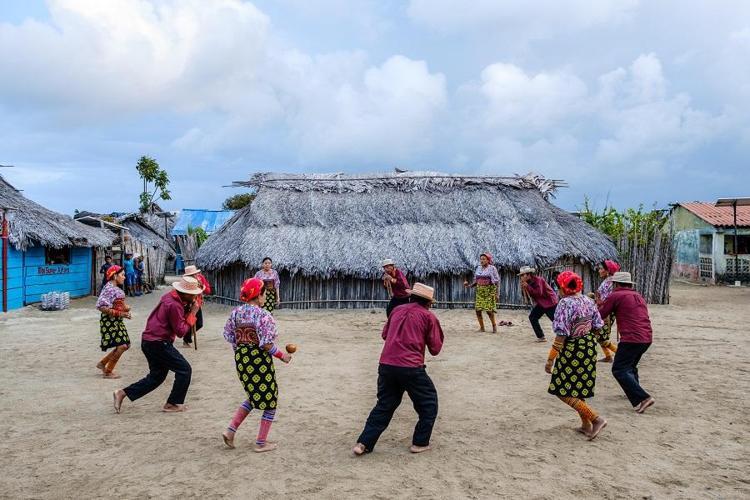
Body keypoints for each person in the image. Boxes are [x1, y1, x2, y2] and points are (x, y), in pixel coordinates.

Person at [353, 283, 444, 456]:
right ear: (428, 302)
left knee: (384, 405)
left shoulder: (396, 310)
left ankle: (363, 443)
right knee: (428, 404)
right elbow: (435, 349)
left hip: (386, 364)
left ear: (411, 297)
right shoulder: (428, 316)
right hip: (411, 367)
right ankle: (420, 442)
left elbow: (385, 335)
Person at [221, 278, 292, 452]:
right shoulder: (263, 315)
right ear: (259, 295)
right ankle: (261, 442)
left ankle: (230, 431)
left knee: (254, 396)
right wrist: (282, 355)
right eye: (264, 293)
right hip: (258, 360)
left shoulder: (236, 313)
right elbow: (266, 344)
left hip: (242, 359)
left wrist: (243, 354)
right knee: (270, 400)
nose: (265, 296)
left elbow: (231, 338)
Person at [112, 276, 202, 414]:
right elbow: (181, 331)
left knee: (156, 377)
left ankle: (122, 393)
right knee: (184, 370)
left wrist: (189, 308)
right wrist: (193, 313)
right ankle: (172, 403)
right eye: (194, 294)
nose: (196, 296)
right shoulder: (174, 305)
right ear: (186, 294)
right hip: (158, 342)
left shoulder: (170, 297)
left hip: (150, 340)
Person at [546, 271, 609, 440]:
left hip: (572, 348)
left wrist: (550, 359)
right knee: (578, 387)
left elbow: (561, 335)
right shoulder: (588, 300)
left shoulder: (565, 304)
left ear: (562, 287)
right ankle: (586, 425)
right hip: (588, 346)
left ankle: (596, 419)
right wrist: (588, 340)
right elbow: (597, 325)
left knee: (562, 390)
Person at [598, 271, 655, 413]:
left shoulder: (616, 295)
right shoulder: (638, 296)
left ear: (616, 284)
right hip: (646, 337)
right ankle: (634, 391)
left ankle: (643, 398)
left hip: (631, 338)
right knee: (630, 366)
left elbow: (601, 315)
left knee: (619, 369)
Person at [95, 265, 131, 379]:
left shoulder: (114, 288)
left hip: (116, 321)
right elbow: (101, 307)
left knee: (126, 345)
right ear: (115, 276)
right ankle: (108, 372)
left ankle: (102, 363)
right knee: (122, 346)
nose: (124, 277)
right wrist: (121, 313)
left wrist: (125, 309)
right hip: (109, 322)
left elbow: (117, 304)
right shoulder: (109, 289)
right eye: (122, 275)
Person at [464, 253, 502, 333]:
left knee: (489, 311)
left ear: (488, 260)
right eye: (481, 259)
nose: (482, 260)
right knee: (477, 310)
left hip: (489, 291)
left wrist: (497, 294)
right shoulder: (478, 268)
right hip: (480, 292)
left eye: (484, 259)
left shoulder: (492, 268)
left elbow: (497, 281)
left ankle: (494, 326)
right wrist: (468, 285)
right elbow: (476, 281)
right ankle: (482, 327)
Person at [519, 266, 558, 342]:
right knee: (533, 317)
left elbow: (538, 293)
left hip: (550, 302)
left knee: (555, 320)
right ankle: (541, 337)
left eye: (523, 275)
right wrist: (525, 287)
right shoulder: (528, 282)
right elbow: (529, 295)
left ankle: (565, 336)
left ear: (529, 275)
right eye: (521, 275)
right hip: (541, 303)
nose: (522, 277)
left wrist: (527, 286)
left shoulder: (538, 280)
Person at [594, 260, 621, 362]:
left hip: (606, 312)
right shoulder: (609, 281)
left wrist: (596, 298)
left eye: (601, 269)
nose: (599, 271)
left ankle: (620, 353)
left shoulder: (609, 282)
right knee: (601, 336)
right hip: (606, 310)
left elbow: (605, 300)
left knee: (601, 337)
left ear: (608, 270)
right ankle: (608, 357)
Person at [182, 265, 211, 347]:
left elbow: (208, 290)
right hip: (187, 304)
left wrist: (202, 287)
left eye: (194, 274)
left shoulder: (201, 278)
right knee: (188, 321)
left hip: (197, 304)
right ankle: (186, 339)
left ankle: (186, 336)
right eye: (191, 275)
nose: (193, 276)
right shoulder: (185, 281)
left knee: (199, 324)